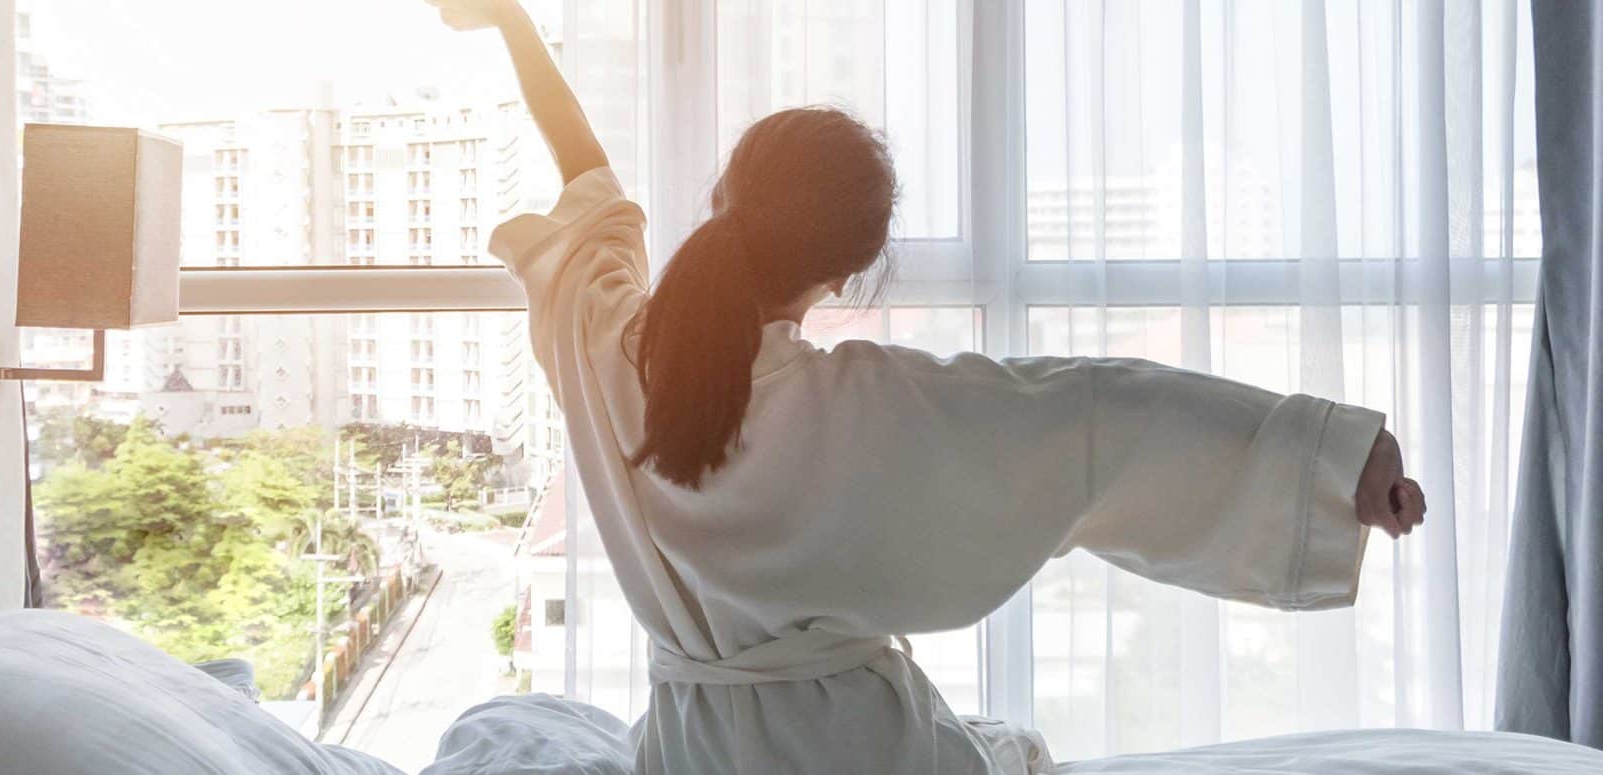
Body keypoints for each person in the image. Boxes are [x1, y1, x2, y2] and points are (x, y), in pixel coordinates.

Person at [428, 0, 1430, 772]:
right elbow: (1099, 416)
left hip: (687, 749)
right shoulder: (859, 407)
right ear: (842, 274)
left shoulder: (607, 345)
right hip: (859, 751)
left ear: (723, 194)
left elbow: (588, 180)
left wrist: (513, 24)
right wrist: (1336, 463)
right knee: (1015, 748)